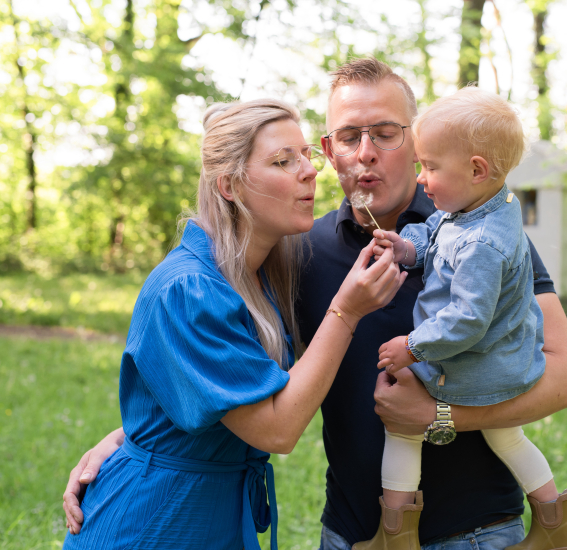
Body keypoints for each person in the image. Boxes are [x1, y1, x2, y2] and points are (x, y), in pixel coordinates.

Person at [64, 59, 567, 550]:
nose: (366, 153)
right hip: (349, 533)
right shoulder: (297, 252)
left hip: (475, 532)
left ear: (415, 140)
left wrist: (439, 415)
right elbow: (237, 369)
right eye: (349, 137)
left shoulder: (478, 235)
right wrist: (134, 439)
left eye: (385, 133)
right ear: (330, 149)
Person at [61, 98, 406, 550]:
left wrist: (131, 433)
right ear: (229, 185)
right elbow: (277, 429)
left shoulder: (263, 272)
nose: (308, 171)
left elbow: (214, 393)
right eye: (283, 160)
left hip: (216, 517)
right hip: (154, 524)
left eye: (306, 154)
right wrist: (346, 310)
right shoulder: (187, 289)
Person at [355, 86, 567, 550]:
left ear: (477, 169)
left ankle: (395, 539)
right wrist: (407, 247)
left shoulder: (483, 244)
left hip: (471, 363)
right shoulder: (479, 206)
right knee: (508, 438)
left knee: (402, 429)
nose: (422, 178)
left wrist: (413, 347)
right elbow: (436, 237)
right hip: (500, 364)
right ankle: (558, 528)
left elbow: (466, 319)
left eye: (431, 167)